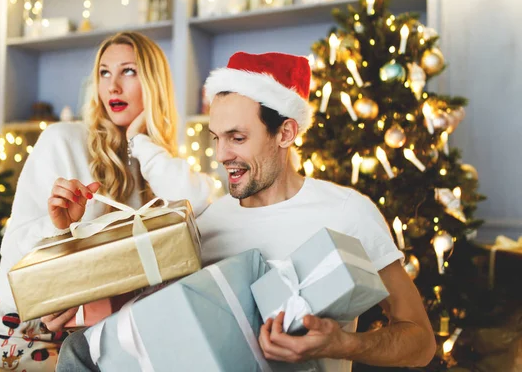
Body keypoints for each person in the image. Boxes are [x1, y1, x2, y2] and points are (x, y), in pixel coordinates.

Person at [57, 51, 435, 371]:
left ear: (285, 133)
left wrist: (342, 344)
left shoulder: (348, 213)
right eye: (217, 139)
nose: (222, 155)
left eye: (238, 138)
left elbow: (421, 341)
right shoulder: (206, 226)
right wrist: (71, 266)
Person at [0, 31, 215, 371]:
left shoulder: (157, 162)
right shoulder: (63, 140)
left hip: (102, 323)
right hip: (16, 325)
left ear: (154, 83)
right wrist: (60, 228)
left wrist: (140, 142)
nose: (112, 86)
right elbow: (11, 250)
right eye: (104, 73)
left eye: (128, 71)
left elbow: (198, 202)